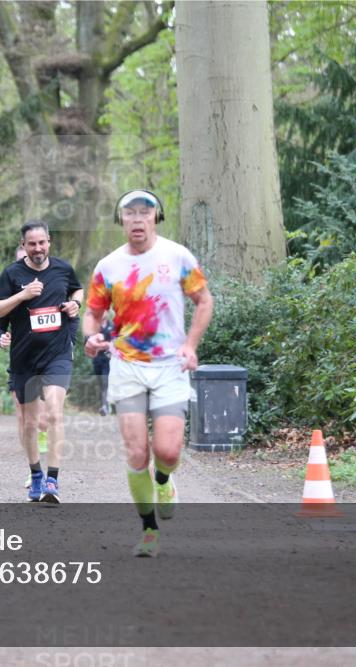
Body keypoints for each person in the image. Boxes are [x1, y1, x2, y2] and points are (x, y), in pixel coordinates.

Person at [82, 190, 214, 556]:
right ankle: (149, 530)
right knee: (137, 452)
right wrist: (91, 337)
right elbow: (92, 313)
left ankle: (165, 479)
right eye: (130, 213)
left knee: (167, 451)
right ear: (121, 220)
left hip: (170, 366)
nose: (138, 218)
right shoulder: (108, 266)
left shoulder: (177, 256)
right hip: (127, 366)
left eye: (145, 211)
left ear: (156, 217)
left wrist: (191, 345)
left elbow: (204, 300)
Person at [0, 220, 83, 503]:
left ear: (49, 241)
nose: (38, 248)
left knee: (54, 412)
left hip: (57, 355)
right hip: (24, 358)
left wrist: (76, 303)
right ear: (23, 245)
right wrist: (23, 294)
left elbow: (77, 289)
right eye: (32, 244)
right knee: (29, 423)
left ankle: (53, 480)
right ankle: (36, 475)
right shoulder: (12, 274)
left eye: (42, 242)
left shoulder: (63, 269)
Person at [91, 316, 112, 416]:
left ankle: (105, 407)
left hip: (108, 360)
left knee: (105, 383)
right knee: (100, 384)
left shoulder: (112, 326)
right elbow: (89, 343)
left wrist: (100, 345)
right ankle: (104, 405)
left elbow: (114, 343)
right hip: (96, 360)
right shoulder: (94, 327)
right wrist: (105, 345)